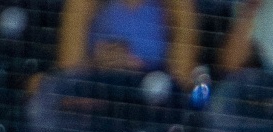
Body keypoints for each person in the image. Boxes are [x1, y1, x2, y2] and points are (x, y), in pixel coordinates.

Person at [58, 0, 198, 76]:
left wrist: (140, 69)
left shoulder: (178, 5)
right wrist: (96, 64)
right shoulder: (81, 4)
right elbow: (68, 69)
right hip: (98, 92)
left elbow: (182, 76)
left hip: (153, 99)